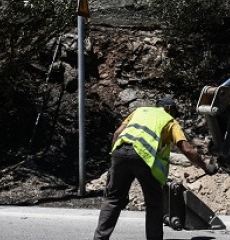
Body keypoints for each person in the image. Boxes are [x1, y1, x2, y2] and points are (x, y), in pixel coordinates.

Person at [92, 97, 216, 240]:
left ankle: (99, 238)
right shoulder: (169, 121)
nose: (175, 115)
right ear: (169, 108)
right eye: (175, 111)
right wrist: (206, 167)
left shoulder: (139, 111)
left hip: (120, 152)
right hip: (143, 157)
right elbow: (187, 149)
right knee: (154, 204)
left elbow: (117, 134)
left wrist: (114, 162)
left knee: (113, 199)